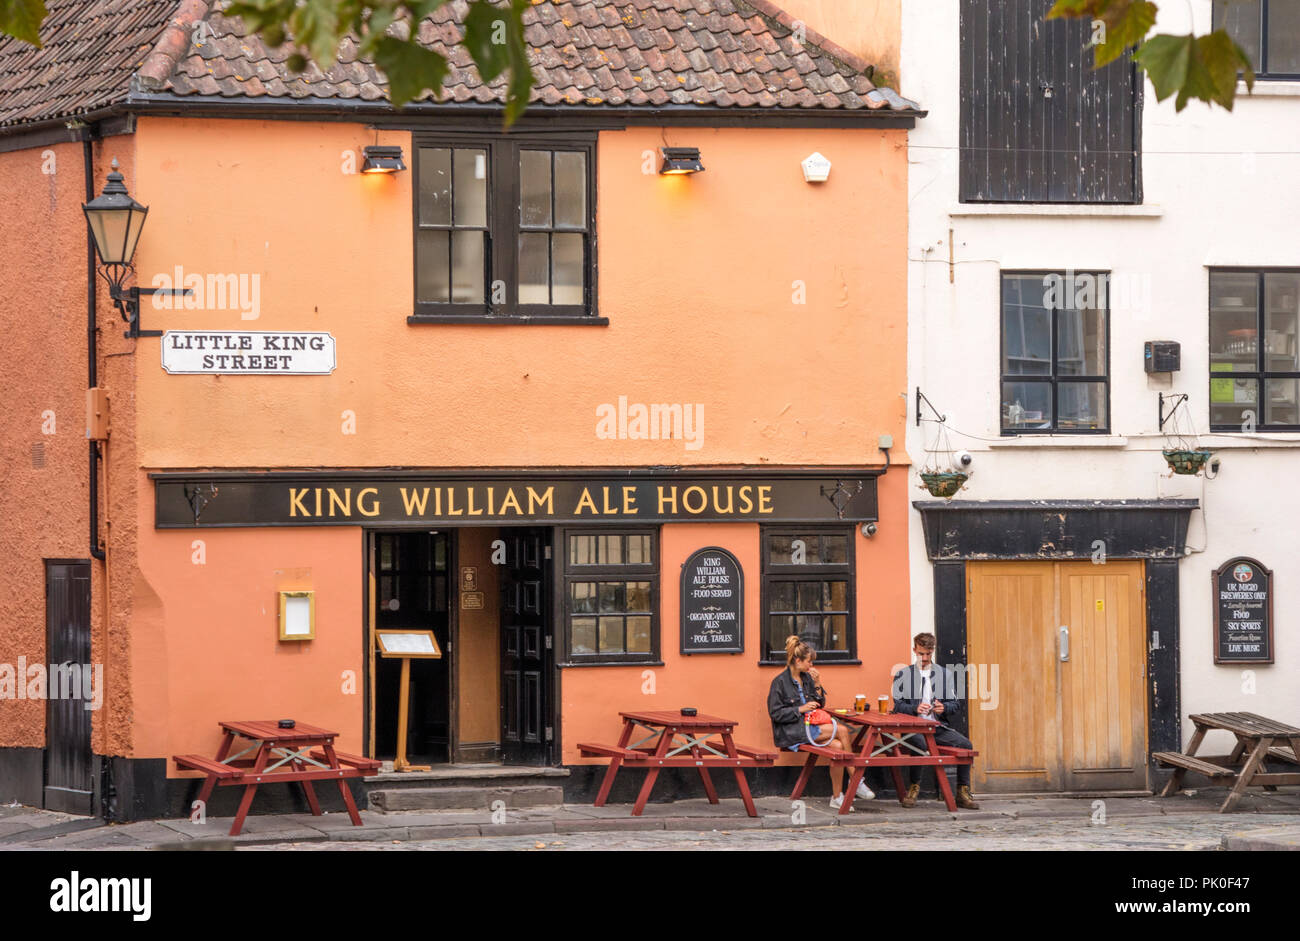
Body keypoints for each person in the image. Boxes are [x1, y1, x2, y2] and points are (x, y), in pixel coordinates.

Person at [768, 635, 873, 809]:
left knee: (838, 748)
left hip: (810, 727)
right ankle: (856, 780)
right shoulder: (779, 682)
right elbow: (775, 713)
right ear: (797, 660)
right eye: (809, 661)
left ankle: (837, 797)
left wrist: (817, 684)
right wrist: (799, 709)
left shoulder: (807, 678)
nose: (812, 666)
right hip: (792, 731)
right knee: (843, 731)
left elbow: (820, 704)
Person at [891, 632, 980, 810]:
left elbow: (955, 704)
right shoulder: (903, 674)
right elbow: (898, 706)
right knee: (920, 744)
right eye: (921, 654)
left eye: (928, 654)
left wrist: (944, 707)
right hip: (913, 727)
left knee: (966, 746)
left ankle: (962, 792)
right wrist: (915, 709)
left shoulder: (944, 674)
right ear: (914, 650)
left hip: (937, 727)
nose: (924, 658)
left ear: (933, 652)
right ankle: (914, 787)